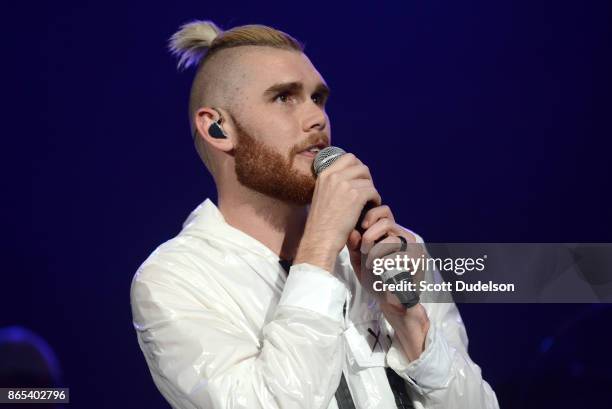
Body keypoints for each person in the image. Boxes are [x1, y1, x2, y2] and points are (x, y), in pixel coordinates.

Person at [130, 20, 499, 409]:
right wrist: (320, 245)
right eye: (284, 97)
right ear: (218, 128)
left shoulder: (395, 252)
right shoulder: (175, 279)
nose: (317, 118)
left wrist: (410, 323)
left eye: (318, 98)